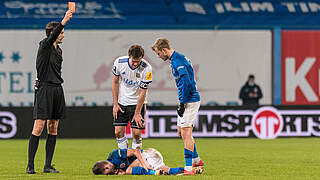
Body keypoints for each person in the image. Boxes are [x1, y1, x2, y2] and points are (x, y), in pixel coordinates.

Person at [26, 10, 73, 174]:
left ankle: (47, 165)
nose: (63, 35)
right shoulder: (44, 45)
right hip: (45, 88)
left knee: (53, 127)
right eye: (62, 33)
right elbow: (52, 37)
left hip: (56, 89)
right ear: (54, 33)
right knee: (39, 126)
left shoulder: (58, 50)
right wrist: (64, 20)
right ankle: (30, 165)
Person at [152, 38, 204, 175]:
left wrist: (183, 103)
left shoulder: (178, 61)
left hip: (190, 100)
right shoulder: (178, 59)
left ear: (164, 50)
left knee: (186, 134)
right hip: (185, 99)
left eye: (158, 53)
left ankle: (188, 169)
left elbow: (187, 82)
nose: (158, 56)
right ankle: (197, 161)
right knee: (181, 132)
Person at [112, 45, 152, 150]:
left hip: (137, 103)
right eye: (133, 61)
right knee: (118, 132)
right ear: (129, 56)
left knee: (137, 133)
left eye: (138, 61)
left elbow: (143, 91)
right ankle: (124, 159)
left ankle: (135, 161)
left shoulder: (147, 68)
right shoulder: (119, 63)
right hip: (122, 102)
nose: (135, 64)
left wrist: (138, 112)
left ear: (142, 58)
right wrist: (115, 104)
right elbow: (115, 82)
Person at [92, 148, 203, 175]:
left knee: (129, 170)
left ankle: (154, 173)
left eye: (108, 171)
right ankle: (191, 170)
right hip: (152, 159)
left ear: (106, 166)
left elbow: (136, 151)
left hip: (148, 154)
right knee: (167, 170)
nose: (110, 172)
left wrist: (144, 166)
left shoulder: (115, 154)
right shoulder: (115, 167)